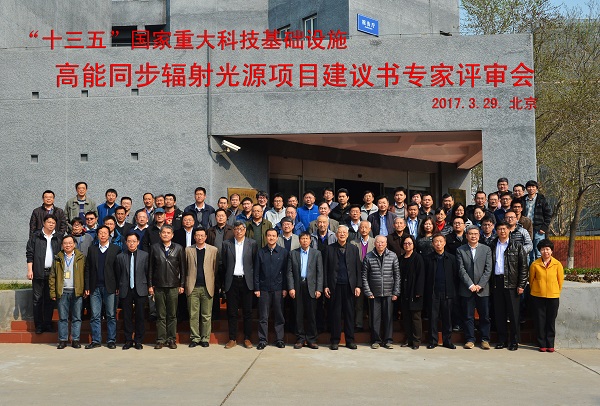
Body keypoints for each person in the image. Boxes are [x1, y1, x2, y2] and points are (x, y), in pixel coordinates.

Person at [490, 221, 528, 351]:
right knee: (499, 314)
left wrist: (521, 284)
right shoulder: (492, 245)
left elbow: (523, 267)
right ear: (496, 231)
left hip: (512, 283)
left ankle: (514, 341)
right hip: (497, 282)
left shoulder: (517, 246)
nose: (502, 231)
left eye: (504, 229)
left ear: (509, 230)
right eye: (499, 229)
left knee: (513, 314)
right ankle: (502, 340)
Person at [324, 225, 362, 350]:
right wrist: (325, 286)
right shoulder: (329, 249)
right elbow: (325, 269)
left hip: (349, 286)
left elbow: (358, 268)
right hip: (334, 286)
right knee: (335, 314)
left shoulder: (353, 249)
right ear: (336, 235)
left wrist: (358, 285)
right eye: (339, 232)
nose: (342, 234)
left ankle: (350, 340)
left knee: (349, 314)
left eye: (344, 232)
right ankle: (335, 340)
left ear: (347, 234)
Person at [148, 225, 186, 349]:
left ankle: (171, 339)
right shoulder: (154, 248)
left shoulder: (179, 248)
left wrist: (182, 284)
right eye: (163, 232)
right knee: (161, 314)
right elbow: (150, 268)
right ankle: (160, 339)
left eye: (168, 232)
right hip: (159, 285)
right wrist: (150, 285)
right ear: (160, 234)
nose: (165, 234)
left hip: (173, 285)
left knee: (172, 315)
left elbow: (183, 269)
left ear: (172, 235)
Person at [221, 221, 258, 349]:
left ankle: (247, 338)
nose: (239, 231)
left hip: (247, 281)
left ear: (245, 230)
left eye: (241, 229)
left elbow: (254, 263)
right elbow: (224, 264)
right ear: (233, 231)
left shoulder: (252, 243)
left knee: (247, 312)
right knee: (232, 312)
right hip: (232, 281)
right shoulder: (227, 244)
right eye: (236, 229)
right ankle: (232, 338)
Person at [456, 225, 493, 350]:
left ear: (479, 235)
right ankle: (470, 339)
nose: (473, 236)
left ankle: (485, 339)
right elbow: (461, 269)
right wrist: (471, 285)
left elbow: (488, 269)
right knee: (468, 316)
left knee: (485, 316)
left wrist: (480, 285)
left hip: (483, 289)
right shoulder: (460, 250)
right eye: (471, 234)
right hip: (467, 289)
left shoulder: (486, 249)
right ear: (466, 236)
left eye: (476, 234)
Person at [84, 225, 121, 349]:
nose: (103, 235)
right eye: (100, 233)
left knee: (111, 315)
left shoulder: (115, 249)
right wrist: (87, 286)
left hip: (110, 287)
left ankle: (111, 340)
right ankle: (96, 340)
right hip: (95, 287)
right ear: (97, 235)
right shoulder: (92, 249)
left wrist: (117, 286)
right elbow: (88, 269)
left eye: (105, 233)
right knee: (95, 315)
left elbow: (118, 270)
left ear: (109, 234)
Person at [362, 235, 400, 349]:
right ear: (374, 243)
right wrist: (368, 292)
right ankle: (376, 340)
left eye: (383, 242)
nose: (380, 244)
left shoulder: (393, 256)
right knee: (375, 318)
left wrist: (396, 292)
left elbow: (397, 275)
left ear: (386, 244)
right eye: (378, 242)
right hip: (374, 293)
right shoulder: (368, 256)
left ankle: (388, 340)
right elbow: (364, 276)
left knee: (388, 318)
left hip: (389, 292)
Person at [26, 214, 62, 334]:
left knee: (50, 299)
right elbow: (30, 253)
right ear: (44, 223)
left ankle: (47, 324)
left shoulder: (58, 237)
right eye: (49, 222)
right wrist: (30, 270)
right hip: (38, 271)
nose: (51, 224)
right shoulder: (36, 236)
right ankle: (39, 325)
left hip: (52, 273)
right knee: (37, 299)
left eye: (53, 223)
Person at [254, 229, 289, 350]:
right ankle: (262, 340)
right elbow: (256, 272)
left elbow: (286, 272)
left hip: (278, 288)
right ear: (266, 237)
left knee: (279, 315)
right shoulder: (260, 252)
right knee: (263, 316)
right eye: (269, 235)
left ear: (277, 237)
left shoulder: (283, 252)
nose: (271, 238)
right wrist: (257, 288)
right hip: (263, 289)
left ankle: (279, 339)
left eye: (273, 236)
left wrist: (285, 288)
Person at [49, 235, 85, 349]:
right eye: (65, 243)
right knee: (63, 318)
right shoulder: (58, 258)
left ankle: (75, 340)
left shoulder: (81, 257)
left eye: (70, 243)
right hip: (62, 291)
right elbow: (52, 276)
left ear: (74, 244)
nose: (68, 245)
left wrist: (85, 289)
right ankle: (63, 340)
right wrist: (53, 292)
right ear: (62, 245)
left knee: (76, 317)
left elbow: (86, 274)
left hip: (76, 291)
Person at [185, 228, 218, 348]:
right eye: (197, 235)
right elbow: (185, 267)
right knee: (193, 315)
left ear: (205, 237)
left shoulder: (213, 250)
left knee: (206, 315)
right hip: (192, 286)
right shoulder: (188, 250)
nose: (199, 237)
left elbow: (215, 268)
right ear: (194, 237)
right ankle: (195, 338)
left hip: (207, 286)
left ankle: (205, 338)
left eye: (202, 235)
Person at [529, 239, 564, 352]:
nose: (545, 251)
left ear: (551, 251)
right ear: (540, 251)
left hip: (553, 297)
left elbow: (560, 281)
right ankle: (542, 344)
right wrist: (537, 290)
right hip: (538, 296)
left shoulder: (557, 264)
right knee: (540, 320)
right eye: (543, 249)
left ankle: (550, 344)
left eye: (548, 249)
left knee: (551, 320)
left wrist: (555, 291)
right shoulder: (535, 264)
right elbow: (531, 280)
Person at [425, 234, 458, 350]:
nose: (438, 244)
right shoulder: (427, 258)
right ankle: (433, 341)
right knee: (433, 318)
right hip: (433, 292)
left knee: (447, 318)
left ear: (444, 243)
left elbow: (455, 276)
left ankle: (447, 341)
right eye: (436, 241)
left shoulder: (451, 258)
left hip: (447, 292)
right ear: (432, 244)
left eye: (440, 241)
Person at [117, 232, 149, 350]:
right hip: (126, 289)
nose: (131, 243)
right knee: (127, 316)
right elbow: (118, 273)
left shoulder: (144, 255)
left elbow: (147, 272)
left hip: (140, 288)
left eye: (134, 241)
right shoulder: (120, 256)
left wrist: (150, 286)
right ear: (126, 243)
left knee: (140, 315)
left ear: (138, 242)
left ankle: (138, 340)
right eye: (129, 241)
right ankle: (128, 340)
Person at [398, 235, 424, 349]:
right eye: (405, 243)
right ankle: (409, 339)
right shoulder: (401, 258)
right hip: (404, 291)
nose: (407, 245)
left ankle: (416, 341)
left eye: (409, 243)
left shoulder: (418, 258)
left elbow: (421, 276)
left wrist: (418, 291)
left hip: (414, 291)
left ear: (413, 244)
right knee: (406, 317)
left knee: (415, 318)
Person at [351, 220, 375, 332]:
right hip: (358, 276)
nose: (364, 229)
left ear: (370, 229)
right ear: (359, 229)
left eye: (366, 227)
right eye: (362, 227)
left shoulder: (375, 242)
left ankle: (372, 325)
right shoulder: (353, 243)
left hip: (372, 276)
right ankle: (358, 324)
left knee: (372, 303)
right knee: (358, 303)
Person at [524, 180, 552, 261]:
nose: (531, 189)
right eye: (529, 187)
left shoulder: (542, 200)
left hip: (538, 229)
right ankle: (530, 268)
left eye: (533, 187)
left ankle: (540, 268)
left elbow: (548, 214)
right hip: (526, 229)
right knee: (528, 252)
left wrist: (544, 227)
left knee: (539, 251)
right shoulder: (523, 200)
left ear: (536, 189)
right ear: (526, 189)